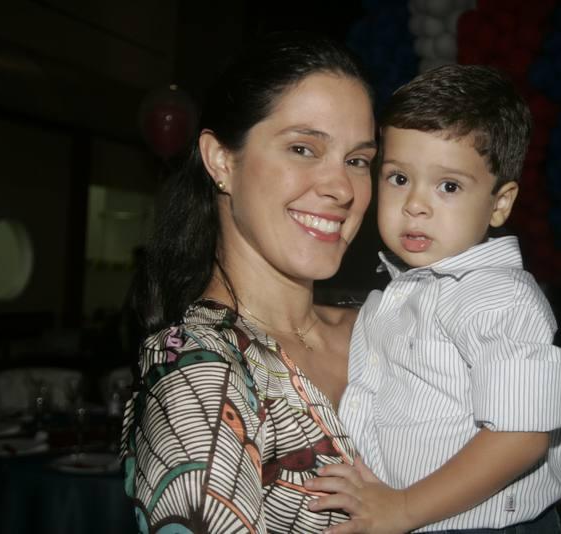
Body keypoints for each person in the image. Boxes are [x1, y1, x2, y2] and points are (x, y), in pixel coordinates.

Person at [306, 64, 561, 533]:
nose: (415, 204)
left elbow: (522, 436)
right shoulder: (404, 291)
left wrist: (403, 508)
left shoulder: (499, 296)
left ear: (500, 203)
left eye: (449, 186)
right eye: (399, 178)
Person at [120, 32, 378, 532]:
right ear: (221, 160)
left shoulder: (387, 322)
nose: (342, 188)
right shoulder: (201, 373)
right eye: (303, 148)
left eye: (357, 160)